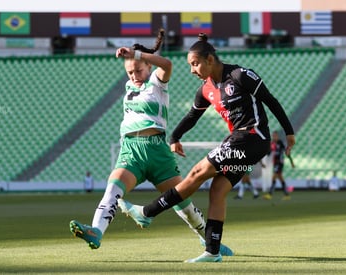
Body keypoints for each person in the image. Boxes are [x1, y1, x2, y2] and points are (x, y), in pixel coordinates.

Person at [119, 33, 295, 263]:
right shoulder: (206, 89)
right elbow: (192, 116)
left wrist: (289, 133)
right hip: (241, 142)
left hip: (252, 138)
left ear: (210, 59)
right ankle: (213, 251)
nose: (192, 70)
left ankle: (147, 213)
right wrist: (175, 137)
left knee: (197, 173)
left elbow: (271, 100)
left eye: (195, 64)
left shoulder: (241, 75)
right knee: (218, 189)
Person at [69, 29, 233, 256]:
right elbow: (133, 72)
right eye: (129, 72)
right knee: (112, 191)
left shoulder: (156, 82)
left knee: (183, 203)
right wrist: (131, 57)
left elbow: (166, 64)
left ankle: (210, 243)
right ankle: (96, 231)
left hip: (156, 151)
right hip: (131, 150)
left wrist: (137, 55)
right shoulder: (129, 87)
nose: (134, 75)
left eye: (138, 70)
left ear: (147, 66)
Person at [263, 131, 295, 200]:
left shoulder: (280, 143)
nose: (274, 137)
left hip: (280, 162)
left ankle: (270, 194)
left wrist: (291, 161)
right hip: (275, 162)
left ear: (277, 136)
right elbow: (269, 153)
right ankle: (287, 195)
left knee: (274, 176)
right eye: (273, 136)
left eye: (275, 136)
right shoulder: (272, 143)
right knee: (280, 178)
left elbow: (287, 152)